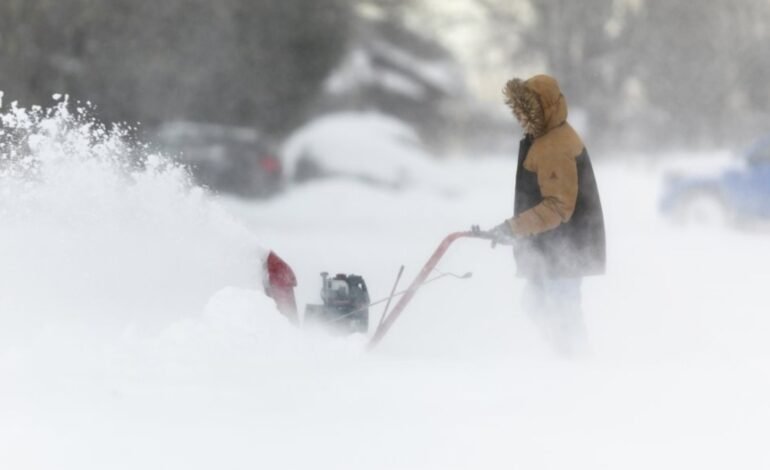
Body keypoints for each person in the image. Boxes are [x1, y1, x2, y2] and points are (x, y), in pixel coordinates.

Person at [488, 74, 606, 355]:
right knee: (536, 304)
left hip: (566, 248)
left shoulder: (555, 146)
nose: (520, 116)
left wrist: (513, 228)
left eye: (526, 109)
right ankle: (562, 357)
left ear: (544, 108)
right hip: (551, 247)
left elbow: (557, 206)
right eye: (517, 109)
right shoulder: (545, 139)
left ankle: (575, 364)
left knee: (561, 309)